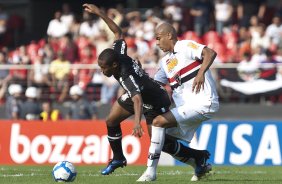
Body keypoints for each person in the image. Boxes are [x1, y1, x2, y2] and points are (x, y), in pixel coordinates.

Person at [83, 3, 171, 175]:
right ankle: (118, 158)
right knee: (111, 121)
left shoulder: (125, 75)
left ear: (114, 65)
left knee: (161, 143)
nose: (102, 71)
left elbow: (137, 98)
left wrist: (137, 123)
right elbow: (117, 32)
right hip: (137, 93)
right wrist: (100, 12)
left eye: (104, 68)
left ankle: (198, 158)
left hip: (154, 99)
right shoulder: (118, 52)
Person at [137, 22, 219, 182]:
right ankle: (199, 160)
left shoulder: (185, 45)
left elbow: (210, 53)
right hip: (187, 108)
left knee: (158, 122)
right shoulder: (165, 62)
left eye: (159, 38)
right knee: (162, 140)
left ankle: (150, 172)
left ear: (169, 35)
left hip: (203, 102)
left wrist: (201, 72)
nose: (157, 43)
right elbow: (154, 85)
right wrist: (139, 75)